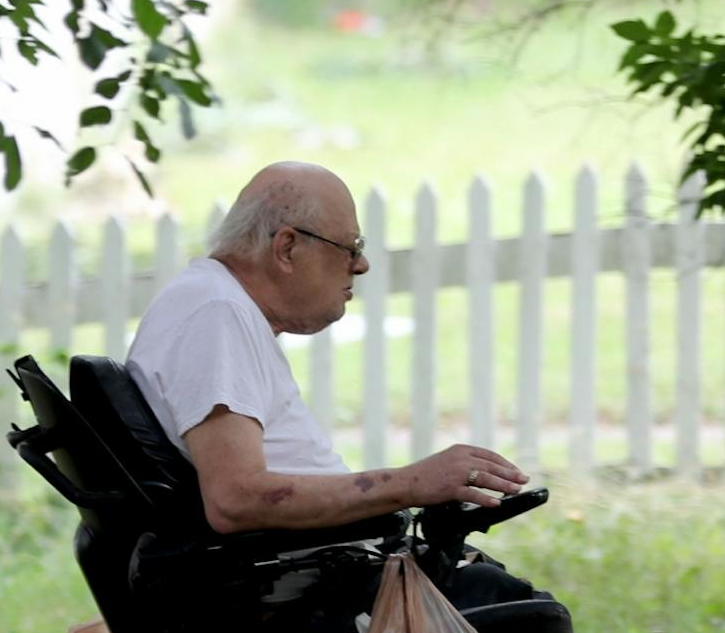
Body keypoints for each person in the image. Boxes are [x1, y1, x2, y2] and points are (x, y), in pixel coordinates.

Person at [127, 161, 529, 536]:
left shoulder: (215, 303)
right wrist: (413, 483)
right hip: (315, 592)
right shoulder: (217, 312)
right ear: (287, 248)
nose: (361, 264)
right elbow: (236, 499)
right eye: (350, 246)